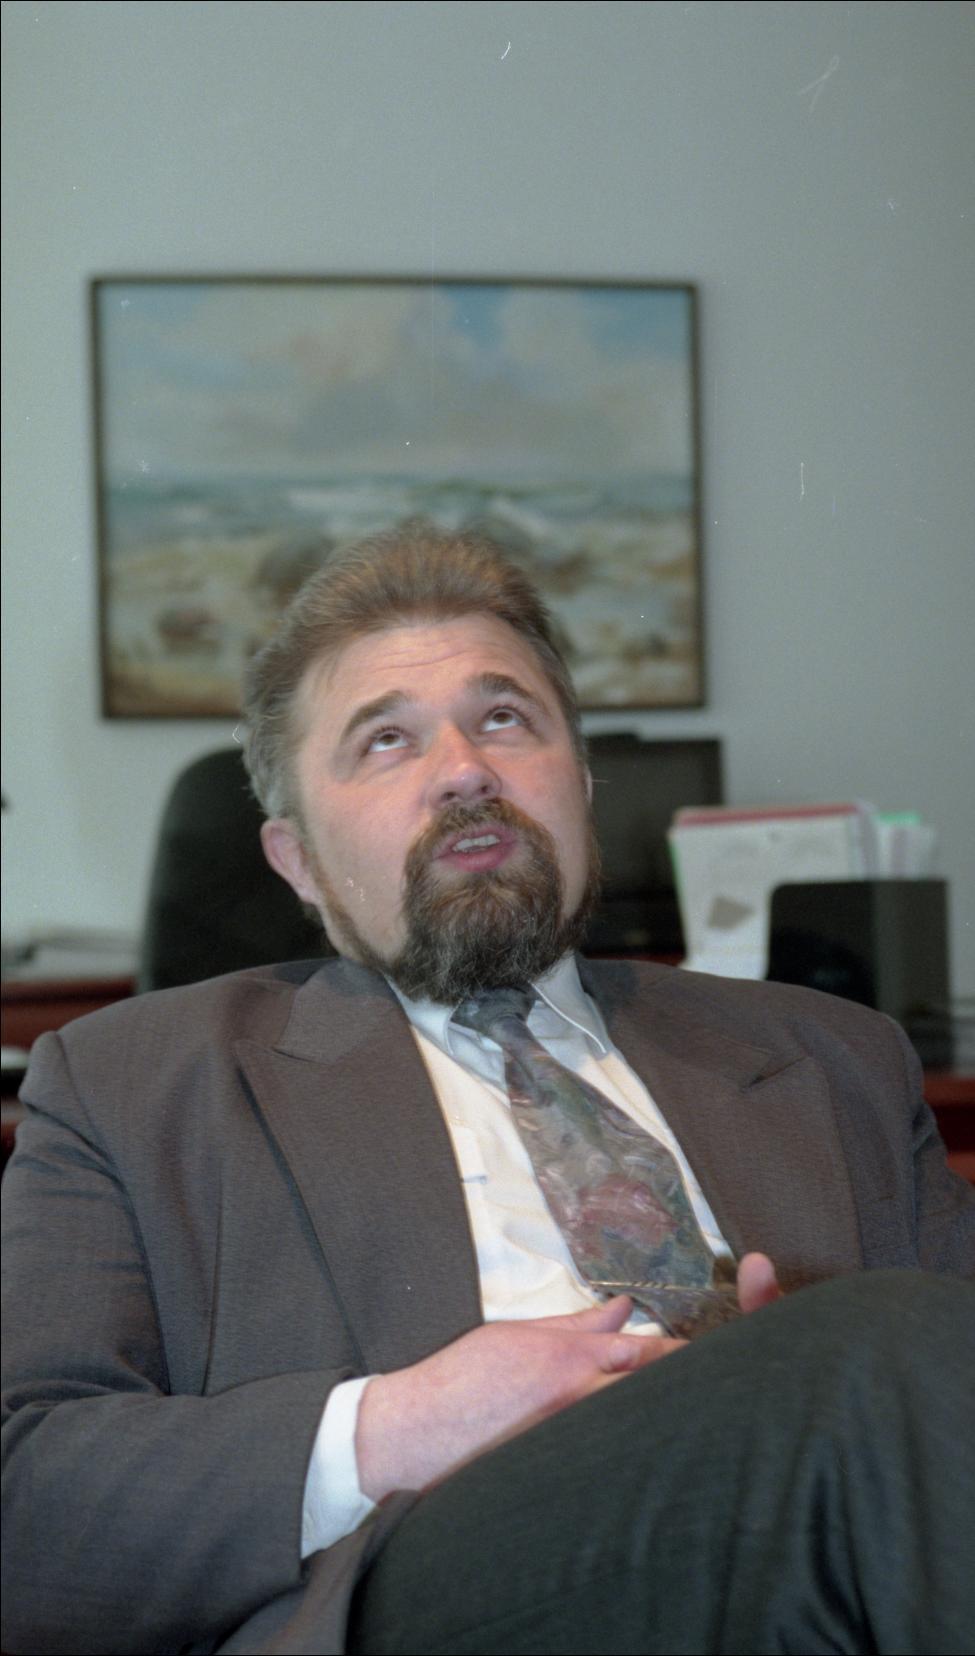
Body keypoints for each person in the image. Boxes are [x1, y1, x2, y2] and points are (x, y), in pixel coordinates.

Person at [2, 526, 973, 1656]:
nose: (465, 769)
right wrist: (394, 1429)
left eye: (504, 718)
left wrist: (779, 1405)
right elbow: (27, 1500)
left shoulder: (832, 1057)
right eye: (386, 741)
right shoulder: (133, 1085)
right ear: (297, 860)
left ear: (581, 787)